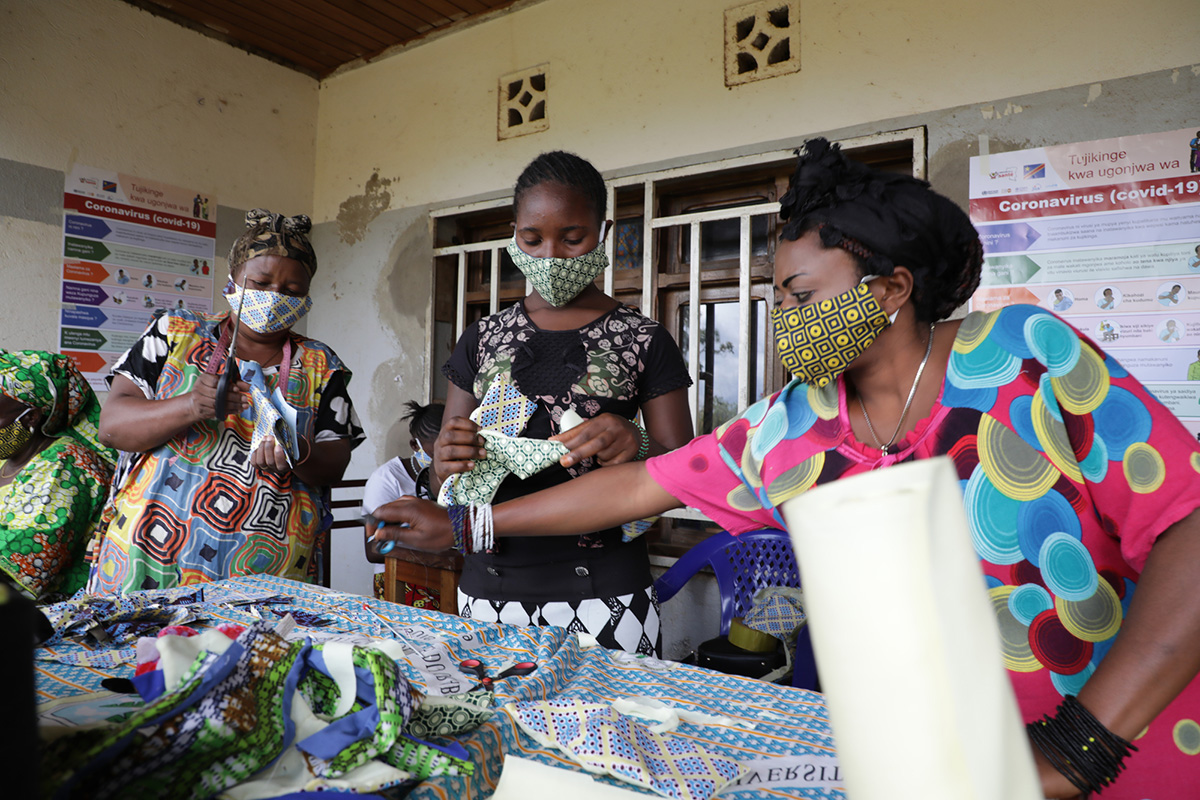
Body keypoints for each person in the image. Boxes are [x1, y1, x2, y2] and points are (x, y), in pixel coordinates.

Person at [378, 139, 1200, 800]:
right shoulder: (795, 424)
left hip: (1134, 748)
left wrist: (1080, 745)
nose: (786, 320)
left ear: (889, 289)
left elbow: (1188, 526)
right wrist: (465, 523)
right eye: (779, 299)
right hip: (941, 770)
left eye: (801, 295)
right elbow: (635, 487)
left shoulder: (1023, 356)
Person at [427, 150, 694, 656]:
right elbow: (450, 479)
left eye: (573, 238)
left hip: (608, 594)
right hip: (490, 589)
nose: (552, 255)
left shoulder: (644, 339)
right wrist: (444, 460)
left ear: (605, 230)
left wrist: (634, 441)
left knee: (615, 733)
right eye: (533, 239)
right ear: (514, 235)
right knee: (498, 731)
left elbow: (682, 477)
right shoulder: (482, 338)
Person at [93, 209, 364, 593]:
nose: (274, 297)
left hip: (270, 570)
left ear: (306, 296)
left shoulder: (321, 364)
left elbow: (334, 461)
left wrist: (298, 451)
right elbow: (112, 427)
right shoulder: (174, 333)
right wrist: (191, 406)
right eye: (260, 282)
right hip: (151, 559)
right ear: (233, 280)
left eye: (291, 291)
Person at [0, 351, 115, 600]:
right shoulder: (7, 459)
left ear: (31, 416)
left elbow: (18, 567)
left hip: (48, 617)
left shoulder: (65, 465)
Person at [362, 400, 444, 602]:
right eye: (436, 455)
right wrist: (434, 555)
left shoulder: (458, 477)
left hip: (444, 571)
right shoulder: (387, 480)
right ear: (415, 445)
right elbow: (373, 549)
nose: (444, 463)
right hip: (400, 577)